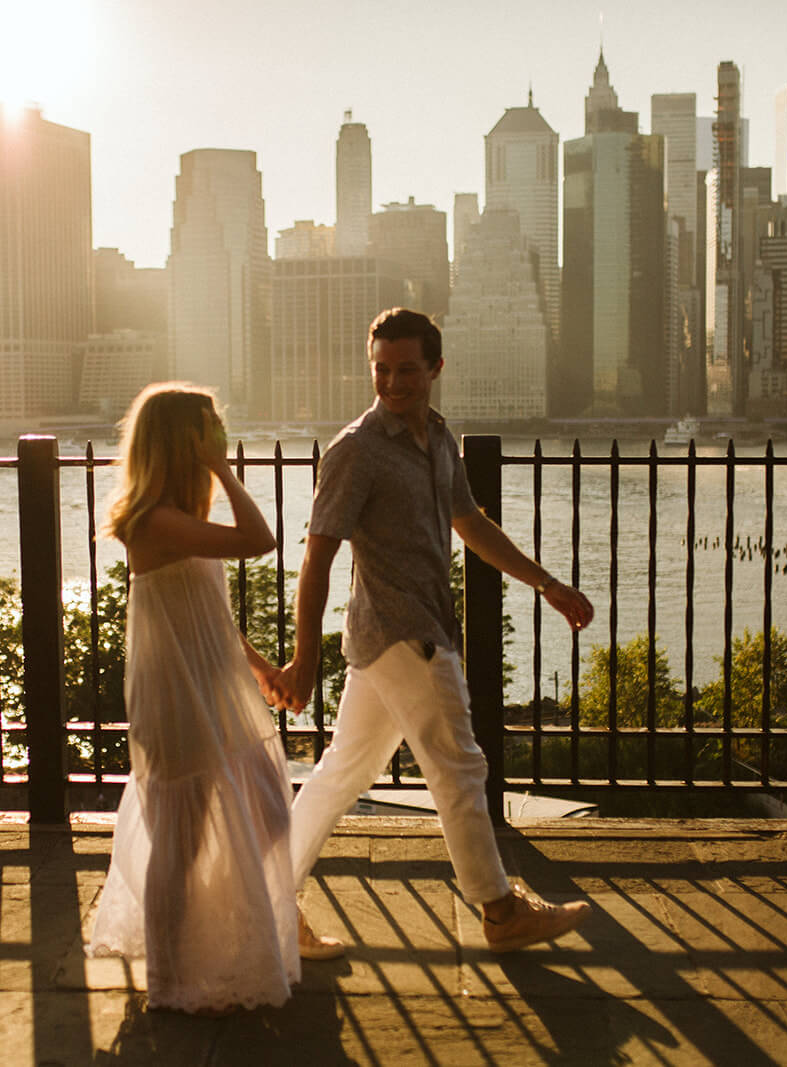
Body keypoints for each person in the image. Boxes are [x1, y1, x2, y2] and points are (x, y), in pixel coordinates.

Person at [270, 308, 596, 956]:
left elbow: (470, 522)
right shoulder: (356, 449)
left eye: (406, 370)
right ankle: (500, 910)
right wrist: (305, 658)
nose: (391, 383)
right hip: (401, 632)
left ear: (435, 369)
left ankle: (267, 899)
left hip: (406, 632)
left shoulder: (440, 440)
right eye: (381, 370)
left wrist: (547, 584)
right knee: (460, 765)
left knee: (342, 772)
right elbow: (318, 555)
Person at [86, 383, 299, 1014]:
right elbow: (261, 539)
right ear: (183, 442)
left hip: (211, 681)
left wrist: (257, 666)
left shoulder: (182, 519)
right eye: (208, 430)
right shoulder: (152, 522)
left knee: (267, 809)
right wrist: (223, 472)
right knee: (179, 839)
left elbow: (208, 610)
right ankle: (171, 978)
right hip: (175, 693)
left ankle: (219, 924)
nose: (220, 437)